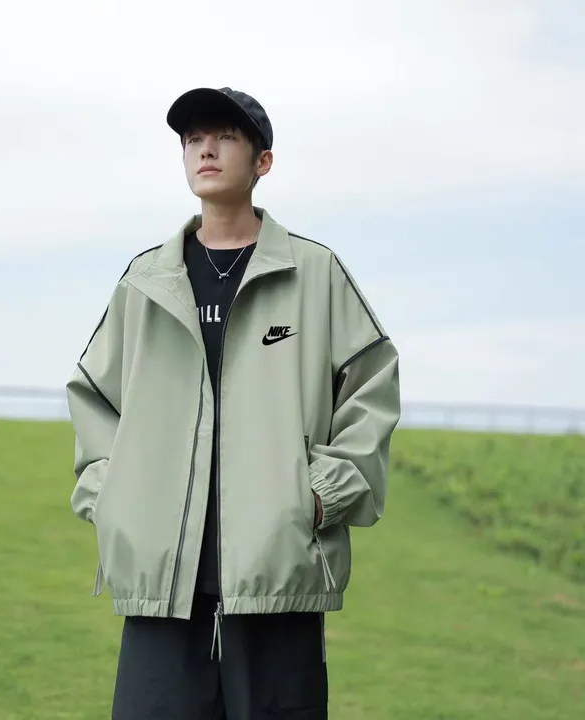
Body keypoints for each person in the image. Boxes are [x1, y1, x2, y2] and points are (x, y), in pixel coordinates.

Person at [66, 86, 401, 719]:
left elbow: (371, 385)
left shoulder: (315, 273)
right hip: (163, 590)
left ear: (262, 161)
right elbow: (93, 395)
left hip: (277, 582)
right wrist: (113, 497)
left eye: (224, 137)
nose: (206, 150)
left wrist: (319, 495)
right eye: (193, 139)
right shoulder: (145, 282)